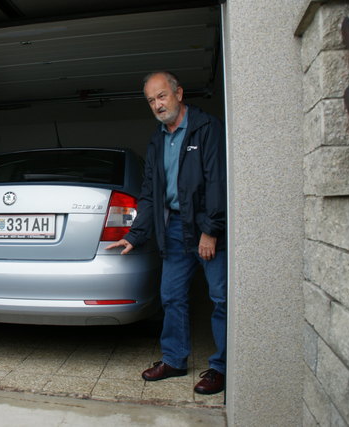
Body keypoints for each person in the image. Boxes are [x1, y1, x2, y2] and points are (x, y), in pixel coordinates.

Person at [106, 71, 227, 395]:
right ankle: (174, 360)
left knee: (221, 298)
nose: (158, 105)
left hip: (205, 226)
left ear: (178, 93)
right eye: (151, 100)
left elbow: (218, 182)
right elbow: (149, 194)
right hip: (174, 228)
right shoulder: (157, 140)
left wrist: (211, 230)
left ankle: (221, 367)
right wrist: (134, 234)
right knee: (171, 296)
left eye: (161, 96)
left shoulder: (206, 127)